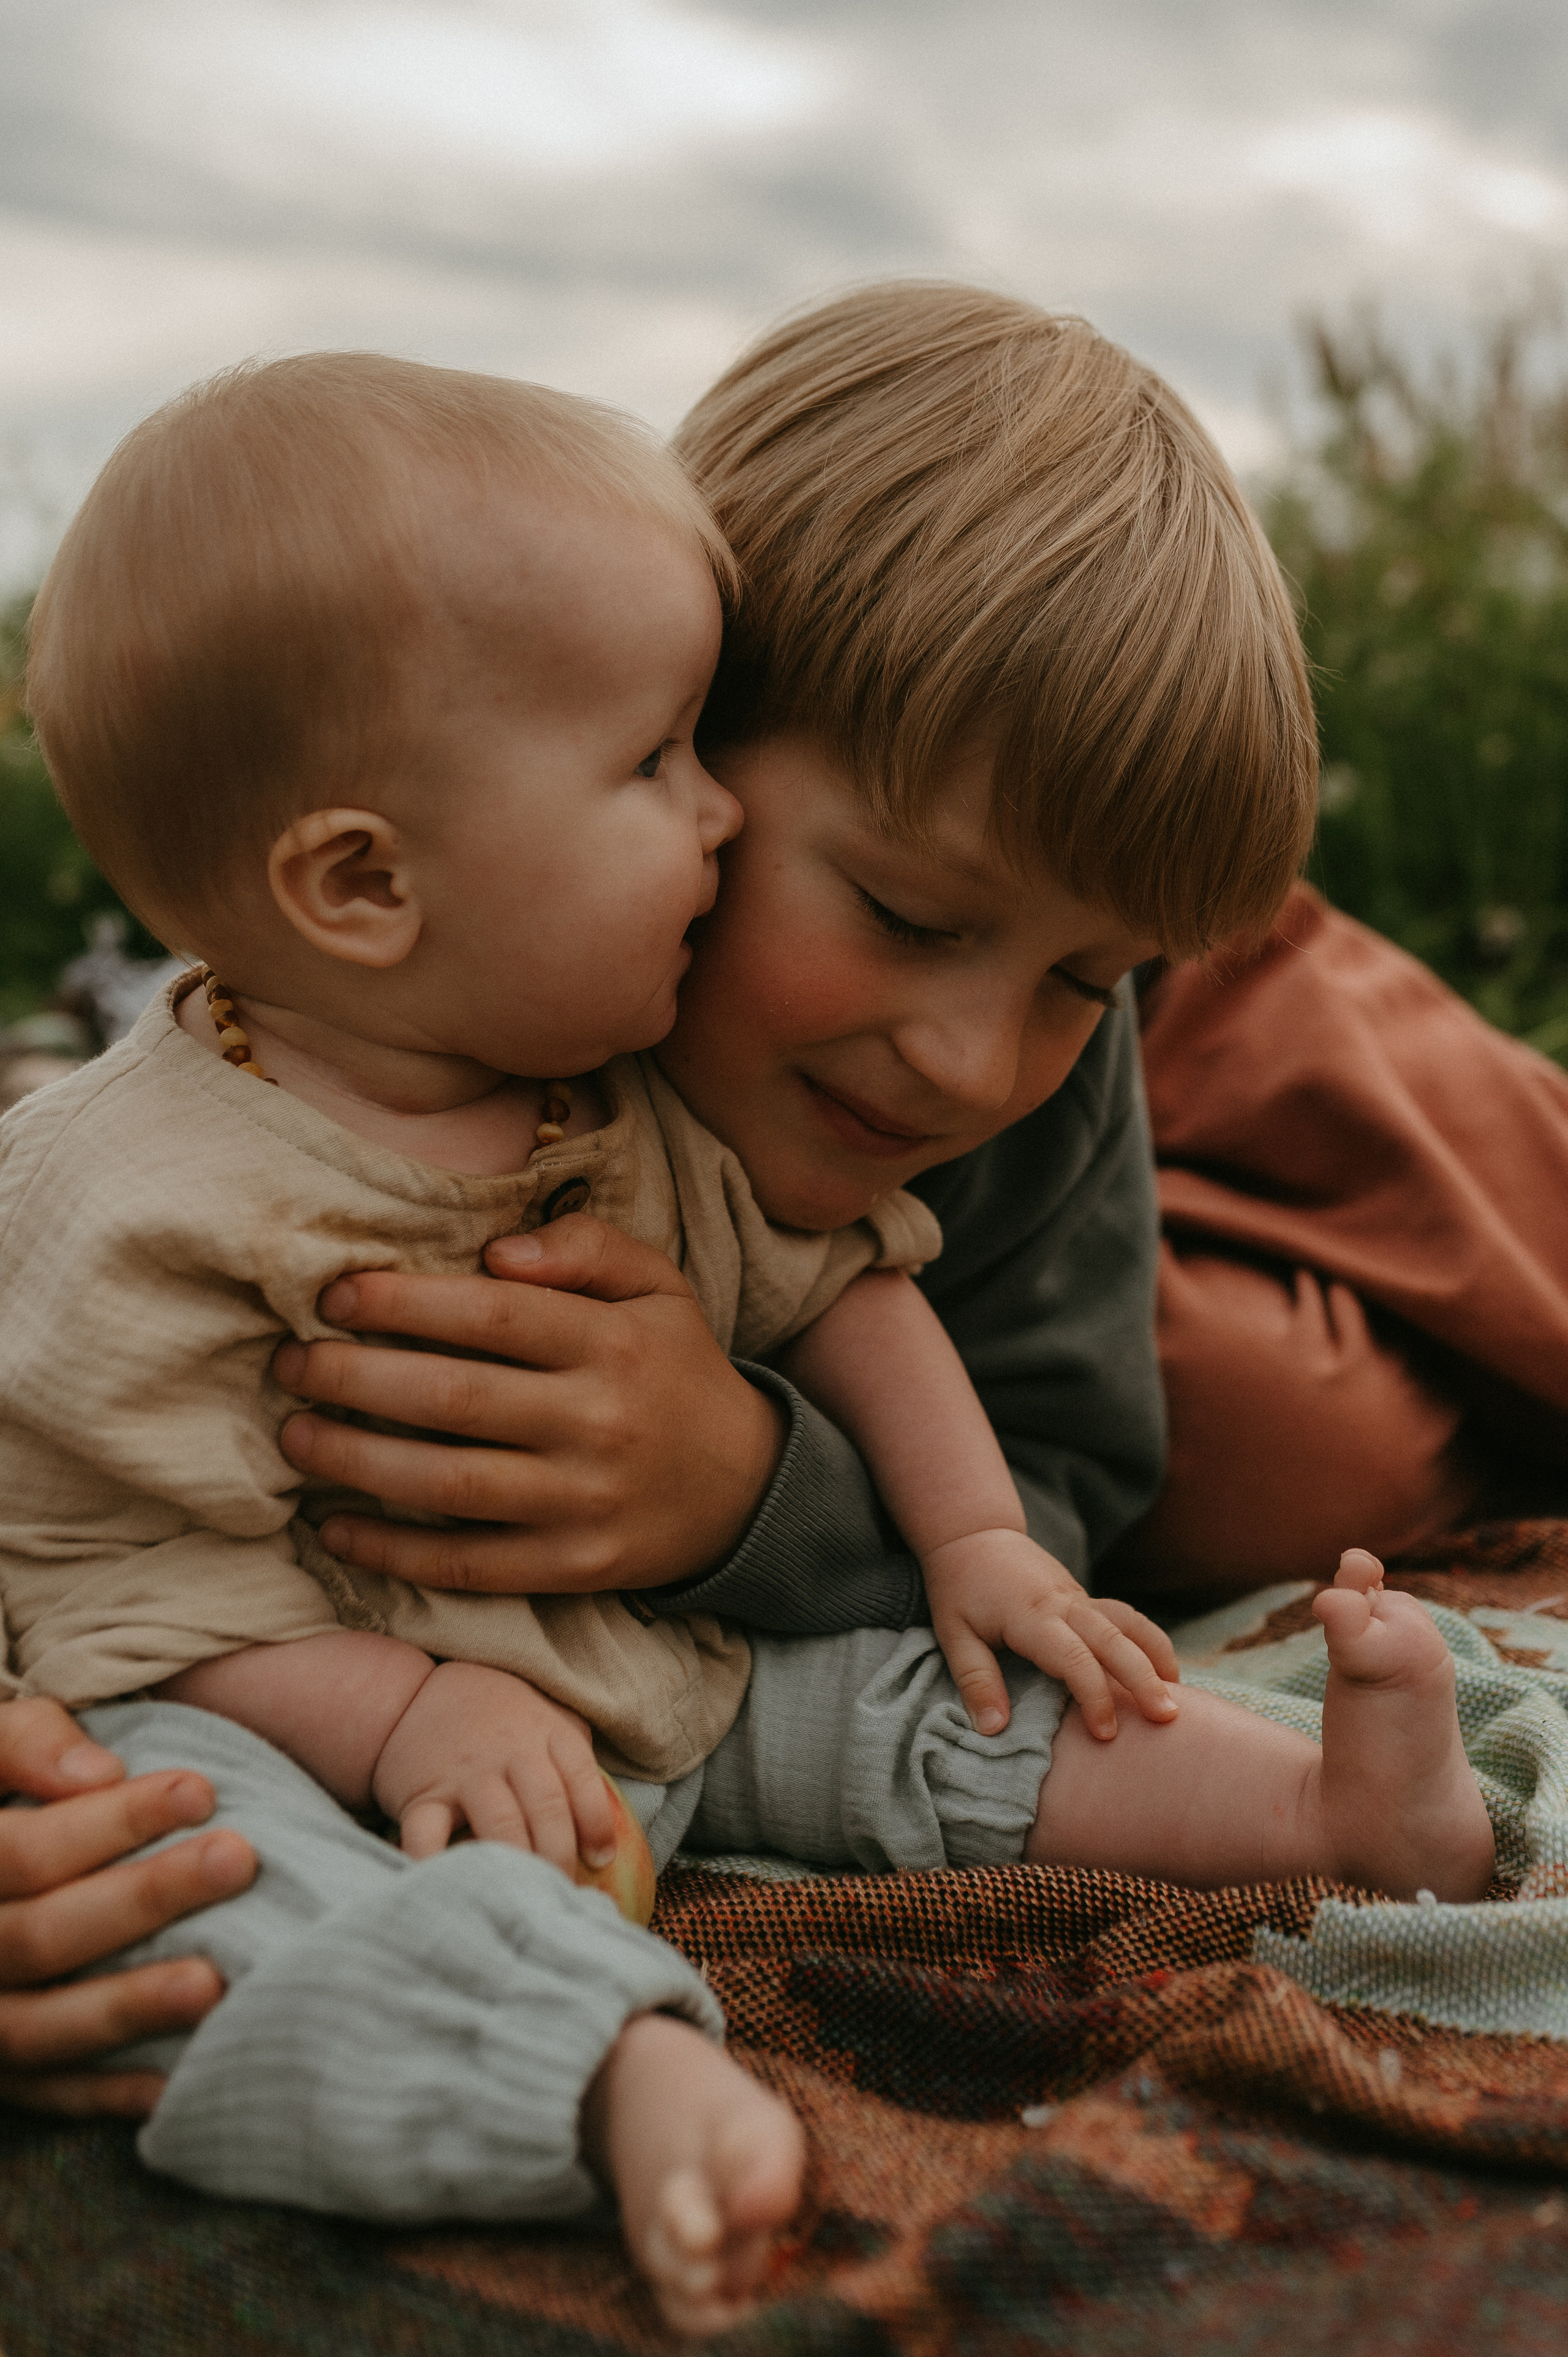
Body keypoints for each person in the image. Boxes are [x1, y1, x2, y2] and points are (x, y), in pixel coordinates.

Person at [1, 289, 1493, 2321]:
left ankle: (1321, 1814)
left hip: (677, 1675)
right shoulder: (229, 1128)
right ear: (682, 744)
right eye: (903, 914)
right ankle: (578, 2067)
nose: (973, 1060)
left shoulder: (1016, 1090)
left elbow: (1026, 1483)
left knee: (1232, 1467)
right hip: (300, 1687)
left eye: (1086, 982)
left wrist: (739, 1486)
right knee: (166, 1860)